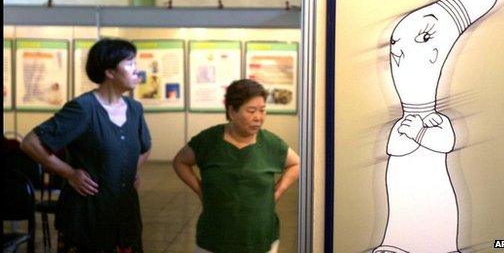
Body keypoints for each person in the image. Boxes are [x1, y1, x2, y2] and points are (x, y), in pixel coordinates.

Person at [21, 38, 151, 253]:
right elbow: (31, 143)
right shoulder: (83, 108)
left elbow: (145, 147)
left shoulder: (134, 109)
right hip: (87, 219)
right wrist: (70, 173)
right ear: (109, 72)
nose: (137, 70)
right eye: (129, 64)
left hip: (125, 217)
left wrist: (131, 169)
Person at [173, 79, 300, 253]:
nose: (258, 117)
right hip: (214, 237)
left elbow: (296, 163)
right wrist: (201, 190)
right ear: (232, 111)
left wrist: (278, 191)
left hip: (259, 237)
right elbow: (180, 162)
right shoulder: (209, 141)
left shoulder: (271, 143)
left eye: (262, 110)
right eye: (251, 111)